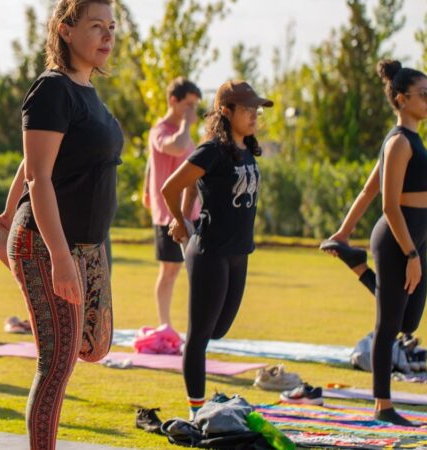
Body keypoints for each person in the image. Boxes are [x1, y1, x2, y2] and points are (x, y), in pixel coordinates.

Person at [4, 1, 121, 447]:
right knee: (56, 363)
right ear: (65, 30)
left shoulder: (86, 90)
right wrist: (58, 257)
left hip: (90, 245)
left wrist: (3, 211)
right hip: (48, 244)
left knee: (95, 345)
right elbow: (39, 174)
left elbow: (36, 161)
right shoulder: (52, 89)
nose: (107, 36)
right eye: (96, 26)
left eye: (111, 27)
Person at [324, 60, 427, 426]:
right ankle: (383, 406)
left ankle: (353, 261)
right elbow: (387, 203)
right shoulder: (399, 142)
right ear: (402, 99)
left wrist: (342, 232)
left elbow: (368, 188)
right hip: (395, 241)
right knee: (388, 324)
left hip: (412, 241)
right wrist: (409, 253)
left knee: (409, 319)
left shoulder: (407, 140)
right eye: (424, 94)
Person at [161, 80, 272, 420]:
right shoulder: (212, 150)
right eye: (247, 109)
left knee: (219, 329)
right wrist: (181, 221)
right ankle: (197, 410)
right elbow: (171, 186)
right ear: (226, 111)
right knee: (199, 336)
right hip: (210, 251)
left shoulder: (246, 149)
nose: (254, 115)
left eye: (257, 109)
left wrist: (191, 200)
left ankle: (201, 403)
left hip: (240, 252)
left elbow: (195, 185)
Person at [142, 77, 202, 327]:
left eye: (195, 106)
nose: (192, 111)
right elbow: (176, 148)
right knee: (169, 271)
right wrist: (186, 124)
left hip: (192, 213)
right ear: (173, 101)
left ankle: (197, 326)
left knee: (194, 271)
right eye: (188, 105)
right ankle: (164, 324)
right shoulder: (162, 131)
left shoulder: (184, 134)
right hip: (169, 215)